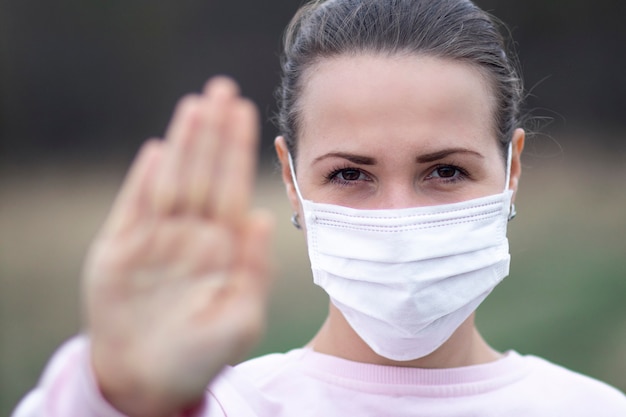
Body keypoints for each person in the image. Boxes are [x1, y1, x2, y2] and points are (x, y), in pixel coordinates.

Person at [11, 0, 626, 416]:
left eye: (446, 171)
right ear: (291, 179)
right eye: (350, 174)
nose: (396, 217)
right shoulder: (215, 408)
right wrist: (111, 395)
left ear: (511, 170)